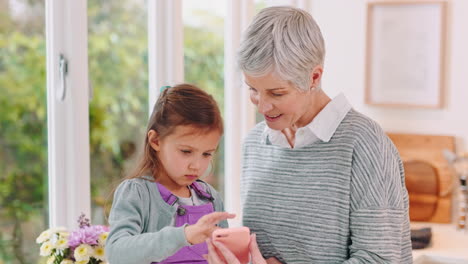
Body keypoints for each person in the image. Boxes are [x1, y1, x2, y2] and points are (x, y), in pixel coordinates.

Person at [207, 6, 412, 264]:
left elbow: (380, 260)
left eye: (277, 93)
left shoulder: (363, 145)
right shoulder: (255, 145)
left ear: (313, 77)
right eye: (253, 89)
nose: (262, 106)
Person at [105, 84, 235, 264]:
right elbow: (116, 252)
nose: (196, 166)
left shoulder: (210, 197)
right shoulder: (137, 192)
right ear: (156, 140)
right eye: (186, 151)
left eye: (207, 154)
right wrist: (185, 235)